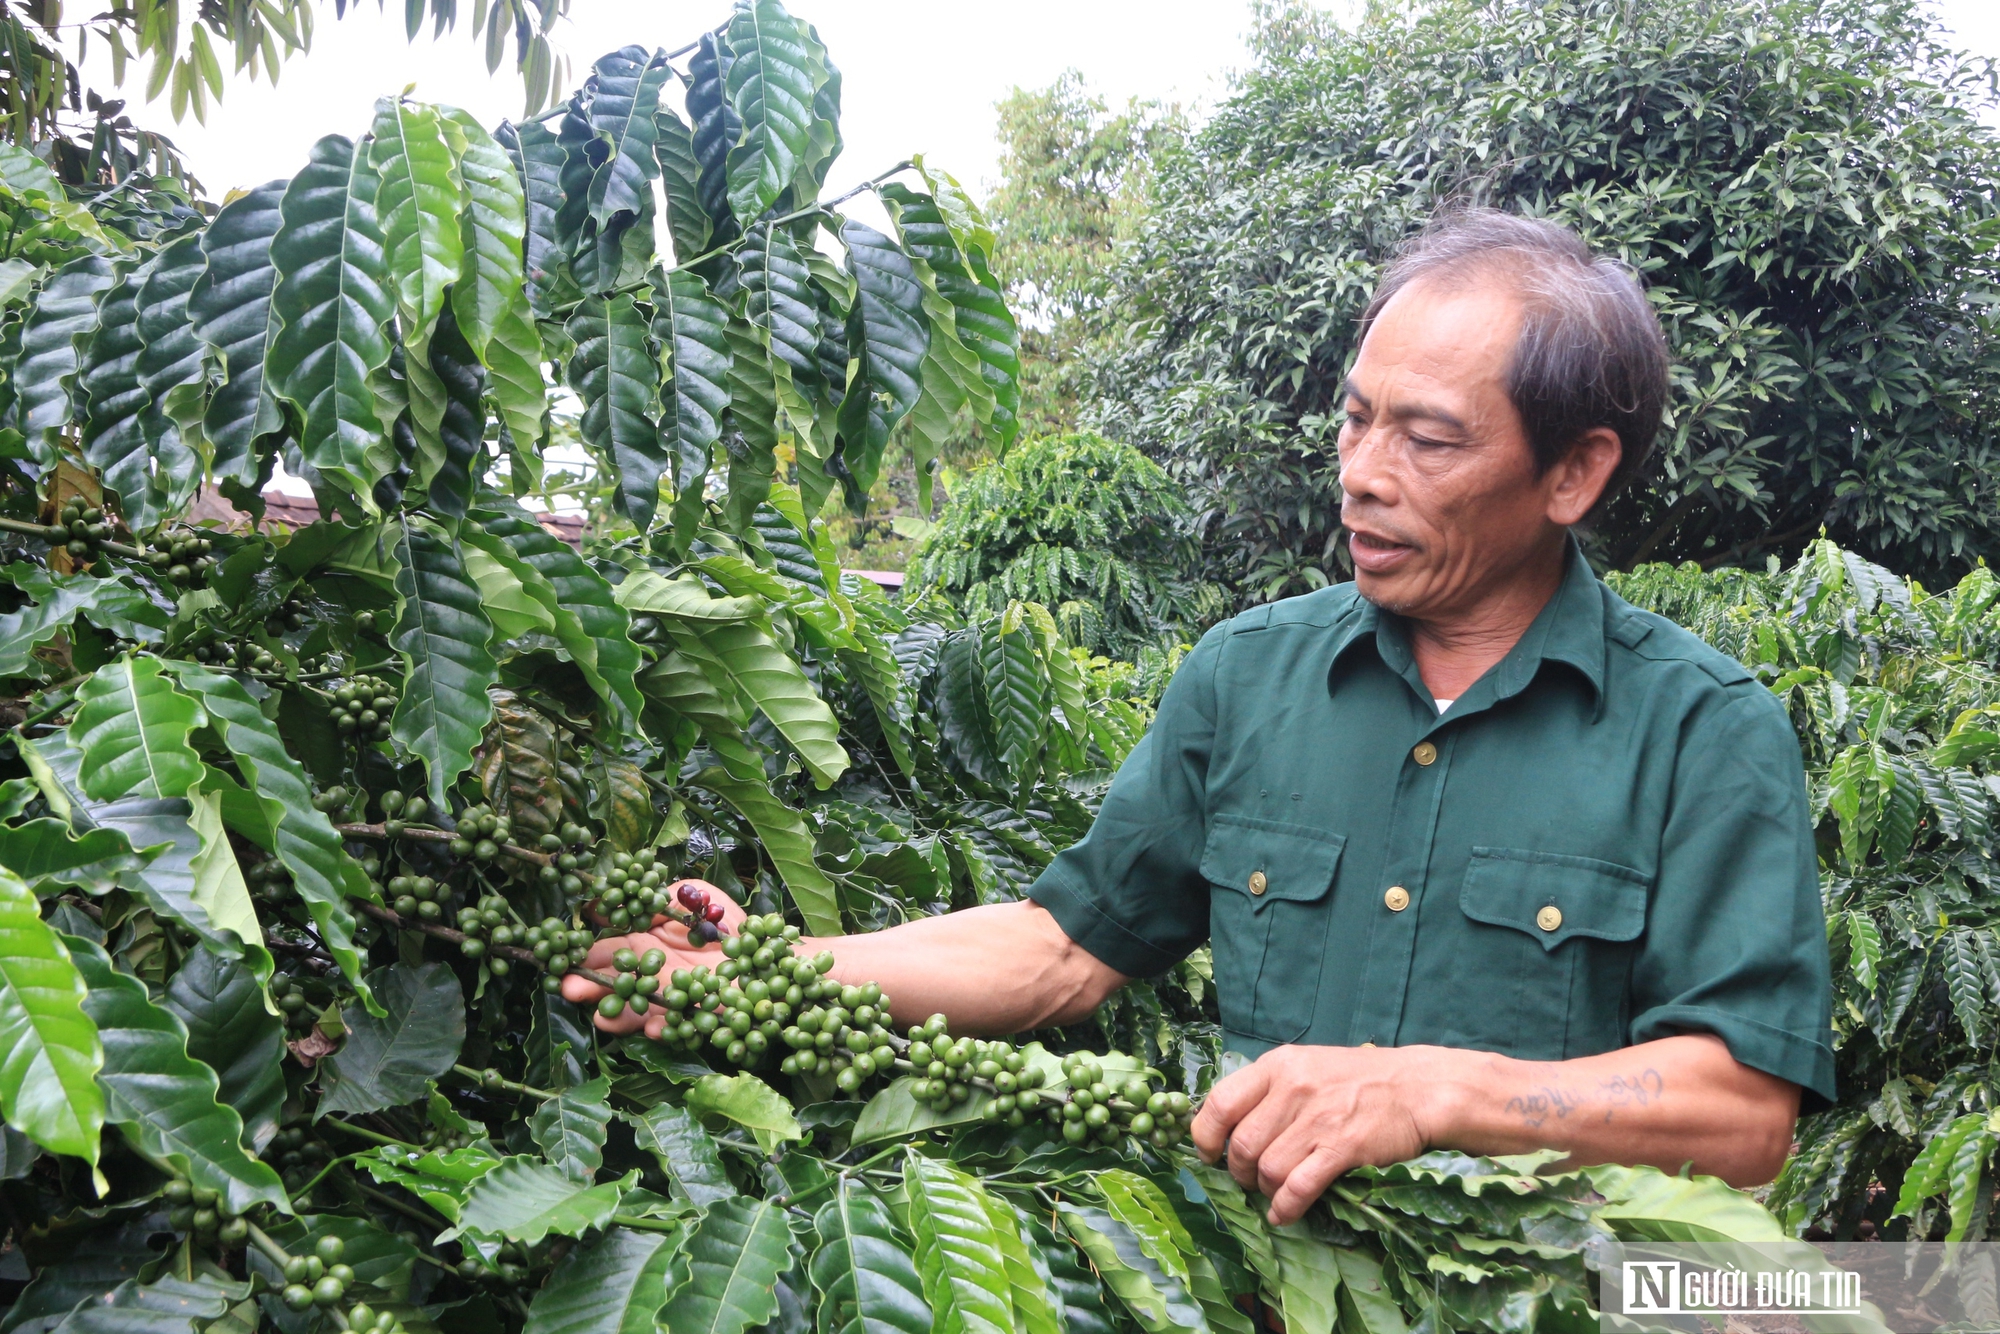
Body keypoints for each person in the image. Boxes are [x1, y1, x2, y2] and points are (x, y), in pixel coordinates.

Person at [566, 209, 1833, 1227]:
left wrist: (1437, 1091)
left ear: (1573, 470)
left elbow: (1736, 1111)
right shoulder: (1245, 678)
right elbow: (1062, 946)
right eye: (1353, 415)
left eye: (1428, 439)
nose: (1360, 471)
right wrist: (764, 970)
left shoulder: (1701, 731)